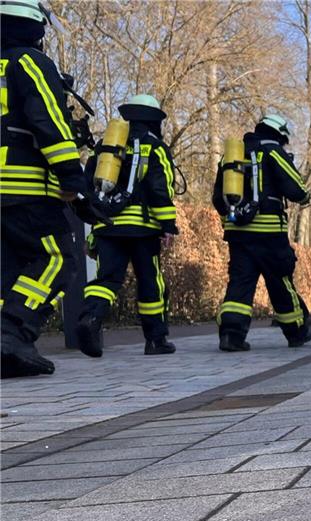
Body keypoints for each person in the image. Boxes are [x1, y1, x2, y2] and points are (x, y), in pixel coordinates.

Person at [0, 0, 84, 377]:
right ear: (34, 27)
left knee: (9, 270)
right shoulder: (29, 61)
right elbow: (46, 119)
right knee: (56, 258)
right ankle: (11, 334)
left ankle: (12, 354)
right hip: (24, 186)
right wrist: (71, 175)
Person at [76, 95, 178, 357]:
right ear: (154, 120)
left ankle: (90, 319)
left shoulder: (106, 144)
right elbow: (160, 189)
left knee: (107, 279)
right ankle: (156, 340)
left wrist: (94, 228)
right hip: (142, 229)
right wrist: (167, 224)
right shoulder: (155, 147)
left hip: (107, 227)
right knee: (150, 282)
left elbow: (88, 186)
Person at [211, 114, 311, 352]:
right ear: (279, 134)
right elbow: (296, 189)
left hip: (238, 233)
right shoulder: (273, 151)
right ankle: (297, 330)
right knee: (280, 281)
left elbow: (218, 198)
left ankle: (231, 335)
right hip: (269, 232)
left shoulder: (233, 154)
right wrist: (305, 195)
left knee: (240, 283)